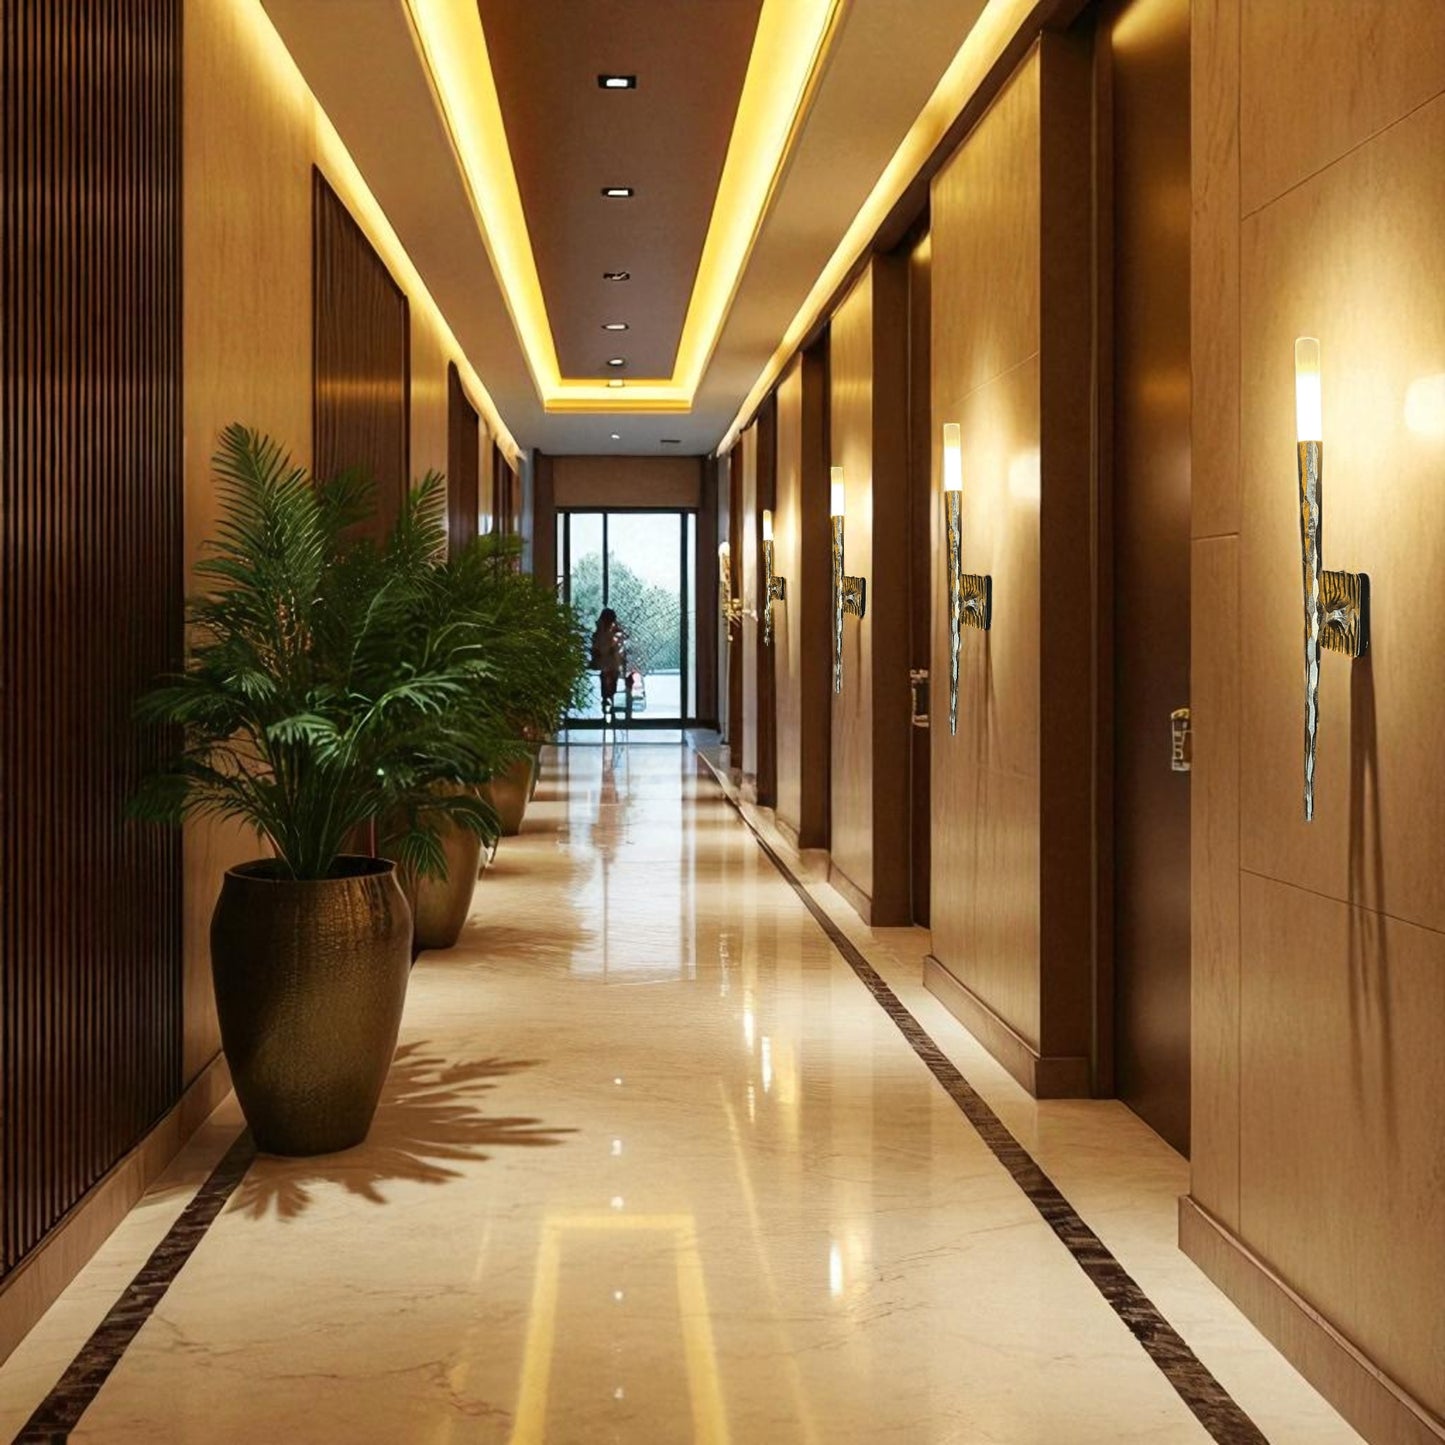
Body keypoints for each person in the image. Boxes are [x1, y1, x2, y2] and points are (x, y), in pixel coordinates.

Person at [588, 608, 629, 722]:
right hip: (608, 660)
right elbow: (596, 645)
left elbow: (623, 638)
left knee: (609, 677)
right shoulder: (603, 631)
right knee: (609, 677)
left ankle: (607, 698)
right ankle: (607, 698)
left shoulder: (611, 630)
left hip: (609, 660)